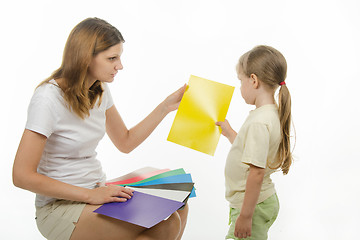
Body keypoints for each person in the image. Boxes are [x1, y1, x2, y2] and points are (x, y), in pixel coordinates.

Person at [12, 17, 188, 240]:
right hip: (59, 208)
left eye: (119, 57)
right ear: (85, 58)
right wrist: (91, 195)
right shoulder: (47, 99)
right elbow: (21, 176)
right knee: (168, 221)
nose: (120, 65)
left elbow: (125, 142)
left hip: (96, 190)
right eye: (112, 58)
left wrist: (165, 107)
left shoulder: (100, 90)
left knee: (179, 206)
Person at [216, 45, 293, 240]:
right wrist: (230, 133)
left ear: (253, 80)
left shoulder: (259, 122)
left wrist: (245, 216)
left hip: (252, 207)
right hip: (258, 202)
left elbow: (256, 173)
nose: (240, 87)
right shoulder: (270, 115)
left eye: (240, 81)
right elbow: (251, 151)